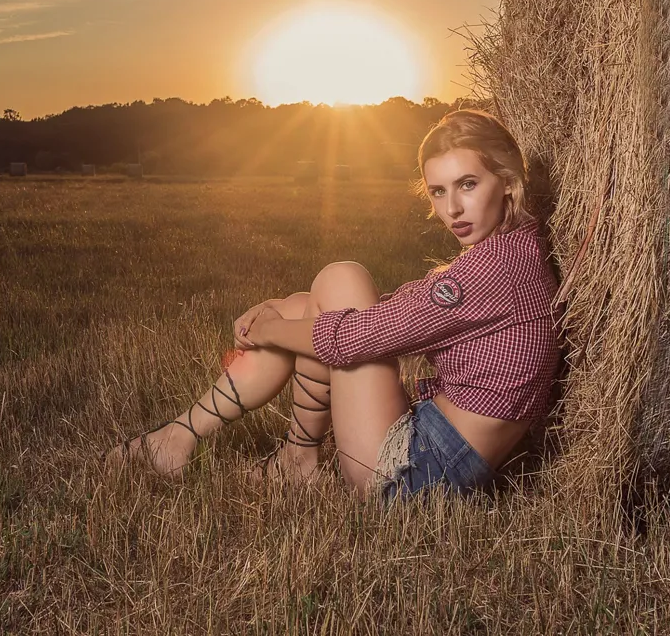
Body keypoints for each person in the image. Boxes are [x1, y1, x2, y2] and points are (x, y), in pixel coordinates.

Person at [107, 109, 560, 500]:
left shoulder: (495, 268)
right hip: (437, 461)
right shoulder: (514, 253)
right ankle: (184, 438)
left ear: (507, 181)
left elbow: (351, 337)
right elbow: (400, 314)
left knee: (340, 278)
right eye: (438, 191)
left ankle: (287, 457)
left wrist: (267, 328)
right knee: (308, 304)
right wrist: (278, 307)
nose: (452, 209)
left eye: (467, 184)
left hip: (414, 476)